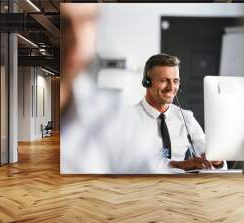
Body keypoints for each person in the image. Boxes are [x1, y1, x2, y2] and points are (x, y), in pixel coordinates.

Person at [60, 4, 166, 174]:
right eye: (64, 23)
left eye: (88, 20)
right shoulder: (128, 114)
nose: (78, 40)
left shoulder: (116, 117)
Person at [132, 54, 224, 171]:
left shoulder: (186, 117)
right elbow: (132, 161)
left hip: (181, 187)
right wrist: (178, 165)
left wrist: (217, 160)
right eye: (164, 80)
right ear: (147, 82)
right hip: (141, 186)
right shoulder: (128, 118)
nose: (171, 87)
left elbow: (208, 153)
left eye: (175, 81)